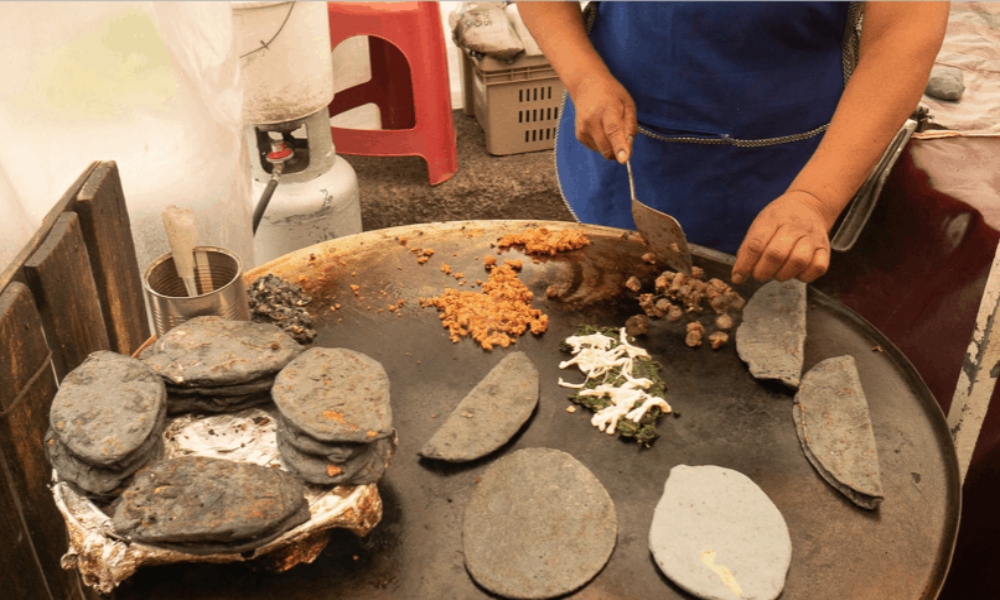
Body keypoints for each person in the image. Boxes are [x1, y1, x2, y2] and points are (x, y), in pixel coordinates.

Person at [519, 2, 949, 283]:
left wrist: (814, 199)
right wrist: (584, 76)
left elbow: (904, 34)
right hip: (630, 148)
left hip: (789, 167)